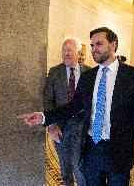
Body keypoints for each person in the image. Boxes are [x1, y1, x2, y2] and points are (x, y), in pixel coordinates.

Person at [18, 27, 134, 186]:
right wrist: (44, 117)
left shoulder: (132, 75)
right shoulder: (88, 77)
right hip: (91, 149)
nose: (94, 49)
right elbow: (73, 107)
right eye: (92, 45)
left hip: (119, 150)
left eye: (99, 44)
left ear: (113, 45)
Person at [43, 37, 90, 186]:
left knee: (78, 164)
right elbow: (48, 100)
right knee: (64, 165)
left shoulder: (89, 72)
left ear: (78, 52)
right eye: (63, 50)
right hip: (60, 127)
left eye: (69, 50)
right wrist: (52, 125)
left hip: (81, 126)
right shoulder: (54, 72)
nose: (66, 53)